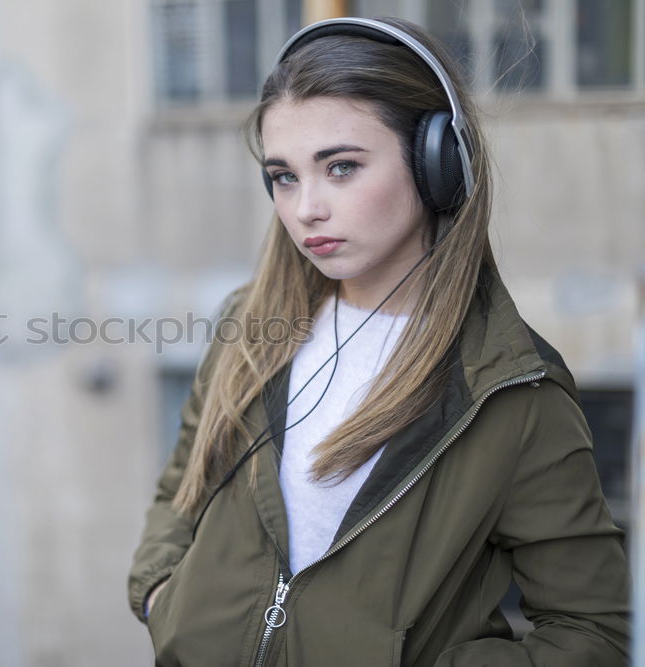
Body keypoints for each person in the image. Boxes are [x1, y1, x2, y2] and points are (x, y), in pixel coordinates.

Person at [127, 16, 630, 667]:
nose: (306, 207)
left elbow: (591, 630)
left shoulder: (511, 390)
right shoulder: (249, 325)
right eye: (284, 175)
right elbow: (181, 488)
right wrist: (162, 595)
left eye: (341, 167)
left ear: (437, 163)